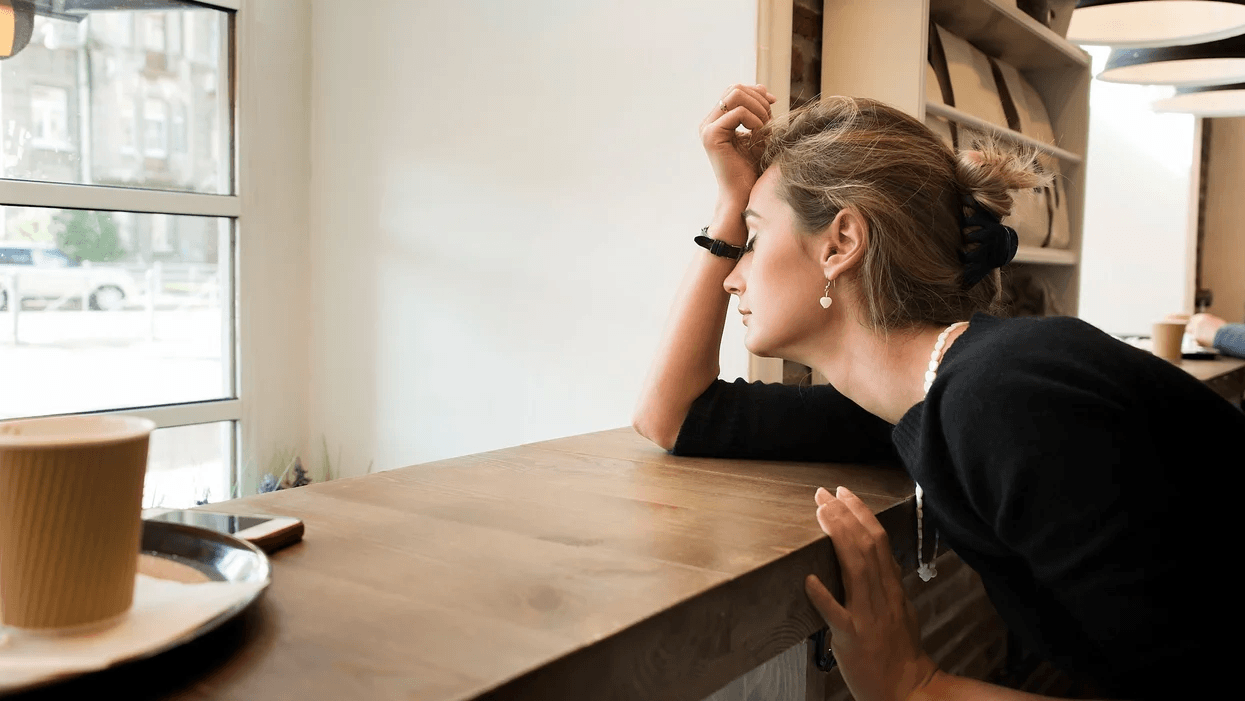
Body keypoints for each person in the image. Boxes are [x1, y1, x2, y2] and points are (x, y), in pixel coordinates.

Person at [633, 84, 1239, 701]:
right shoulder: (928, 397)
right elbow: (675, 415)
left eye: (753, 239)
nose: (732, 275)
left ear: (840, 244)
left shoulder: (1005, 401)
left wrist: (913, 685)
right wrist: (733, 201)